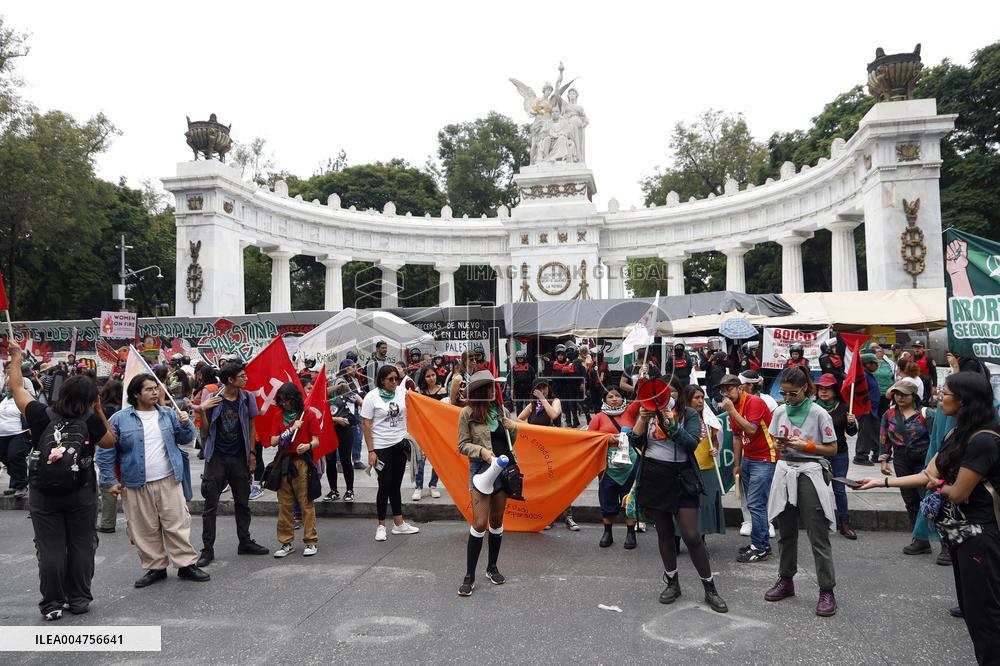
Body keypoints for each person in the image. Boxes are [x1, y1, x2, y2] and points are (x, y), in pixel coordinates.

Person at [857, 372, 1000, 663]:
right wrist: (879, 483)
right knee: (973, 612)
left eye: (945, 393)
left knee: (986, 617)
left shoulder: (984, 440)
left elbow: (958, 493)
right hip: (958, 533)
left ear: (963, 401)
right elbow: (928, 475)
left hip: (981, 537)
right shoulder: (956, 433)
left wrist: (937, 486)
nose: (939, 396)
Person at [7, 344, 115, 620]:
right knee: (81, 545)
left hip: (44, 493)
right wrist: (98, 410)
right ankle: (78, 600)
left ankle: (52, 604)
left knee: (50, 548)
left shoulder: (40, 414)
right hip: (81, 492)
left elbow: (17, 387)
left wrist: (16, 358)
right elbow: (109, 441)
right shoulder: (90, 419)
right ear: (92, 399)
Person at [98, 374, 209, 588]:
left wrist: (186, 424)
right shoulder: (119, 419)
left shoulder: (168, 413)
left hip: (169, 478)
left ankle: (186, 564)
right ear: (136, 394)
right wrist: (109, 480)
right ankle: (155, 567)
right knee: (144, 528)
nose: (155, 393)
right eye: (149, 389)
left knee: (177, 524)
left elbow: (185, 439)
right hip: (135, 483)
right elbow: (105, 452)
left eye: (156, 388)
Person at [630, 379, 728, 613]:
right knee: (664, 533)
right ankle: (672, 582)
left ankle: (709, 587)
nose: (662, 398)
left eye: (669, 393)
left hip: (682, 476)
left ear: (677, 394)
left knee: (692, 535)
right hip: (655, 475)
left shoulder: (689, 415)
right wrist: (643, 419)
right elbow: (634, 442)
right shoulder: (648, 413)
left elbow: (691, 443)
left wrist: (670, 423)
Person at [764, 366, 839, 617]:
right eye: (784, 394)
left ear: (805, 388)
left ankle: (826, 590)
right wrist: (778, 444)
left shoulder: (819, 414)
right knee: (785, 531)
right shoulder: (780, 411)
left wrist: (807, 445)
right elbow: (773, 440)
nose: (788, 399)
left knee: (817, 534)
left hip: (809, 471)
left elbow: (832, 449)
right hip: (784, 471)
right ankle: (786, 579)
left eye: (793, 394)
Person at [196, 362, 268, 567]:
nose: (246, 379)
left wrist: (252, 454)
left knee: (242, 502)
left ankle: (244, 541)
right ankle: (207, 549)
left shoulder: (247, 398)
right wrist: (202, 411)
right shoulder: (213, 399)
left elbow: (252, 427)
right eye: (242, 376)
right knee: (210, 505)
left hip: (239, 458)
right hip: (216, 458)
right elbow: (205, 432)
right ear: (230, 380)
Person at [456, 370, 519, 596]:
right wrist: (481, 451)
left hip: (503, 472)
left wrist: (513, 427)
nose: (495, 391)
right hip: (482, 472)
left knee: (496, 520)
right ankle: (469, 574)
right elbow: (462, 445)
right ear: (481, 391)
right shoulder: (467, 413)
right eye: (490, 387)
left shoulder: (501, 411)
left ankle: (492, 567)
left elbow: (510, 442)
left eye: (495, 387)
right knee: (480, 523)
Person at [718, 374, 776, 562]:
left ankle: (759, 547)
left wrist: (731, 411)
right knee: (753, 503)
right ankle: (761, 544)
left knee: (756, 504)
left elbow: (751, 429)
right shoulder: (733, 407)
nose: (726, 393)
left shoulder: (754, 402)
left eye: (729, 389)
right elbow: (737, 437)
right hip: (749, 458)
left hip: (765, 457)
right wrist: (737, 464)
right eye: (723, 390)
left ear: (740, 388)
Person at [362, 364, 420, 541]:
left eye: (396, 378)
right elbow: (366, 425)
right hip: (381, 447)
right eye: (391, 379)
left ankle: (399, 523)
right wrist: (371, 451)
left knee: (395, 485)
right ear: (381, 380)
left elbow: (418, 404)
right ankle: (381, 525)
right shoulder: (371, 397)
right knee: (384, 485)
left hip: (399, 445)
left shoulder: (402, 392)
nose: (395, 382)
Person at [878, 380, 935, 554]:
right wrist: (884, 460)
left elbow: (936, 438)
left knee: (930, 501)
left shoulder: (927, 414)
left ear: (914, 396)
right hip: (901, 460)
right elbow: (883, 438)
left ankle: (947, 546)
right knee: (910, 501)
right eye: (897, 394)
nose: (900, 397)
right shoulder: (889, 414)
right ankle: (920, 540)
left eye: (904, 394)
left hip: (925, 460)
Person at [267, 382, 322, 557]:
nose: (285, 404)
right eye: (282, 401)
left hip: (302, 462)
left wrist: (307, 445)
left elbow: (316, 440)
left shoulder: (309, 415)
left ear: (294, 399)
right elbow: (273, 441)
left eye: (287, 400)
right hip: (283, 462)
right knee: (284, 504)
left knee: (306, 502)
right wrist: (291, 429)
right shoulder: (277, 416)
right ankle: (286, 542)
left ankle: (311, 541)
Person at [517, 379, 577, 530]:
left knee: (561, 483)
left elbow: (554, 415)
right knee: (543, 483)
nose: (543, 390)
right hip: (538, 451)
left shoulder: (555, 401)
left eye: (545, 387)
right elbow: (518, 419)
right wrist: (531, 428)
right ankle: (547, 517)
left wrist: (543, 399)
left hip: (556, 450)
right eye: (539, 388)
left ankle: (568, 517)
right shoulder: (531, 406)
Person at [588, 387, 640, 548]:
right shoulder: (598, 418)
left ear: (623, 399)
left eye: (618, 396)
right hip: (607, 464)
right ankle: (607, 532)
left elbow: (640, 398)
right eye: (610, 396)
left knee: (629, 498)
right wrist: (607, 438)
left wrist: (642, 379)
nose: (614, 399)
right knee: (607, 496)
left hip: (630, 463)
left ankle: (631, 533)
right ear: (604, 400)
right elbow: (588, 439)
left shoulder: (630, 413)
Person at [814, 373, 859, 539]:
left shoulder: (844, 407)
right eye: (821, 389)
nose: (824, 392)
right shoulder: (812, 408)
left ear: (835, 390)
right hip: (819, 455)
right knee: (817, 490)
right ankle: (818, 523)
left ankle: (844, 524)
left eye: (827, 389)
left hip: (840, 454)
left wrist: (851, 422)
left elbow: (851, 433)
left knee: (839, 490)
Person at [686, 384, 726, 539]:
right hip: (687, 468)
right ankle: (676, 538)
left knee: (704, 504)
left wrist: (715, 448)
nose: (701, 401)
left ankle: (701, 539)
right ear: (688, 399)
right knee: (685, 505)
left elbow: (715, 440)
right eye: (696, 398)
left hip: (707, 467)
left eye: (702, 397)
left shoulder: (709, 419)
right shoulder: (681, 418)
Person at [0, 359, 35, 498]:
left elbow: (31, 412)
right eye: (8, 384)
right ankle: (16, 482)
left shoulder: (23, 397)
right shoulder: (5, 399)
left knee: (15, 456)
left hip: (19, 433)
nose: (9, 386)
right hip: (2, 434)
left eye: (11, 384)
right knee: (5, 458)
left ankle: (20, 485)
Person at [413, 366, 445, 500]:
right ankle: (418, 487)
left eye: (433, 375)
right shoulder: (418, 391)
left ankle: (433, 485)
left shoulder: (443, 390)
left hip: (437, 430)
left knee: (436, 460)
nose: (431, 378)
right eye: (428, 376)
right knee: (420, 460)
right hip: (422, 430)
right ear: (423, 378)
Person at [324, 379, 357, 503]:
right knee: (330, 460)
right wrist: (336, 419)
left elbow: (361, 401)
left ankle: (350, 490)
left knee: (345, 459)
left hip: (345, 430)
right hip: (329, 430)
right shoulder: (323, 395)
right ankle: (334, 490)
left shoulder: (348, 394)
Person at [96, 379, 123, 533]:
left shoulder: (104, 409)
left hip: (106, 446)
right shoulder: (124, 409)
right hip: (123, 450)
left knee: (108, 485)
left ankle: (107, 522)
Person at [333, 358, 366, 471]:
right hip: (345, 411)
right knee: (342, 438)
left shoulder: (355, 379)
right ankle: (339, 462)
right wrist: (359, 400)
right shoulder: (340, 380)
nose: (354, 368)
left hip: (357, 411)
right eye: (352, 367)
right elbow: (347, 393)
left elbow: (360, 392)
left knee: (358, 437)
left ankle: (356, 460)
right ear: (345, 369)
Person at [853, 354, 883, 465]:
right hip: (866, 409)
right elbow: (860, 393)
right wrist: (864, 406)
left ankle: (878, 454)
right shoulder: (863, 376)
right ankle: (861, 456)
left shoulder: (868, 374)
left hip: (872, 409)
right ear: (868, 364)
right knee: (865, 433)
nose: (877, 366)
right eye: (875, 363)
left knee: (875, 431)